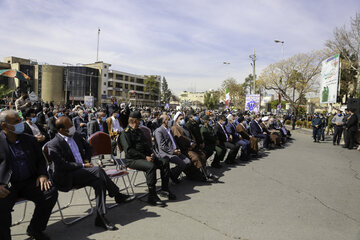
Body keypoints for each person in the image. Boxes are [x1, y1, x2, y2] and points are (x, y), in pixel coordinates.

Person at [47, 116, 134, 231]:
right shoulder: (54, 144)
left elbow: (88, 147)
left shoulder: (75, 135)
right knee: (98, 171)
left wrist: (87, 160)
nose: (73, 128)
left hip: (83, 171)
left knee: (99, 182)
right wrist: (82, 165)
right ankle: (117, 194)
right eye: (70, 126)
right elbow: (62, 166)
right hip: (67, 175)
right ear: (62, 130)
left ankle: (100, 217)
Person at [0, 110, 58, 240]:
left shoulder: (29, 139)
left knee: (50, 192)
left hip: (29, 182)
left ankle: (35, 229)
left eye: (20, 120)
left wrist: (42, 175)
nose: (21, 123)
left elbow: (40, 160)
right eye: (16, 122)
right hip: (6, 185)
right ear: (4, 126)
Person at [120, 111, 175, 207]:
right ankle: (152, 195)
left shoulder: (139, 131)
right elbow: (129, 151)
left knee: (164, 161)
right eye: (139, 120)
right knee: (151, 166)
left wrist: (151, 154)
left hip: (145, 157)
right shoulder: (125, 133)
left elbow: (146, 146)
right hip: (133, 160)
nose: (140, 122)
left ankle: (164, 189)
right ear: (134, 121)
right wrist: (145, 157)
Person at [154, 114, 191, 183]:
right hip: (166, 153)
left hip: (175, 150)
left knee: (187, 162)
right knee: (182, 163)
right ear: (163, 121)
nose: (170, 121)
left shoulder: (169, 129)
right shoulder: (159, 131)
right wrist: (173, 152)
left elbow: (173, 141)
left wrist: (177, 149)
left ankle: (172, 173)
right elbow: (162, 146)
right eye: (168, 119)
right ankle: (173, 177)